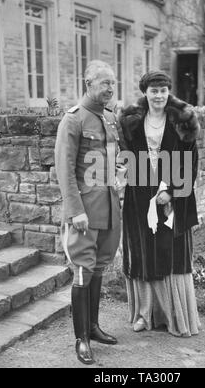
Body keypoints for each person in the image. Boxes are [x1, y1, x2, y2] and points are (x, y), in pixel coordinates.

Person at [119, 70, 201, 337]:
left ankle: (174, 316)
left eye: (163, 90)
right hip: (139, 195)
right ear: (145, 92)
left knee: (172, 252)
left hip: (172, 195)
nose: (159, 96)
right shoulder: (131, 120)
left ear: (169, 91)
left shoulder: (183, 120)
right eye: (153, 91)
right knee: (142, 251)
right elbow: (126, 156)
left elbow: (191, 162)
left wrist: (173, 192)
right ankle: (145, 315)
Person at [55, 60, 124, 365]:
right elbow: (65, 170)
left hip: (109, 208)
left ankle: (93, 327)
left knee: (98, 269)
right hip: (84, 212)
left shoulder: (109, 118)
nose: (110, 88)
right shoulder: (73, 120)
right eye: (104, 83)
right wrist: (75, 211)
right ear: (88, 83)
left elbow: (112, 161)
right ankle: (80, 339)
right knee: (83, 271)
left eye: (112, 83)